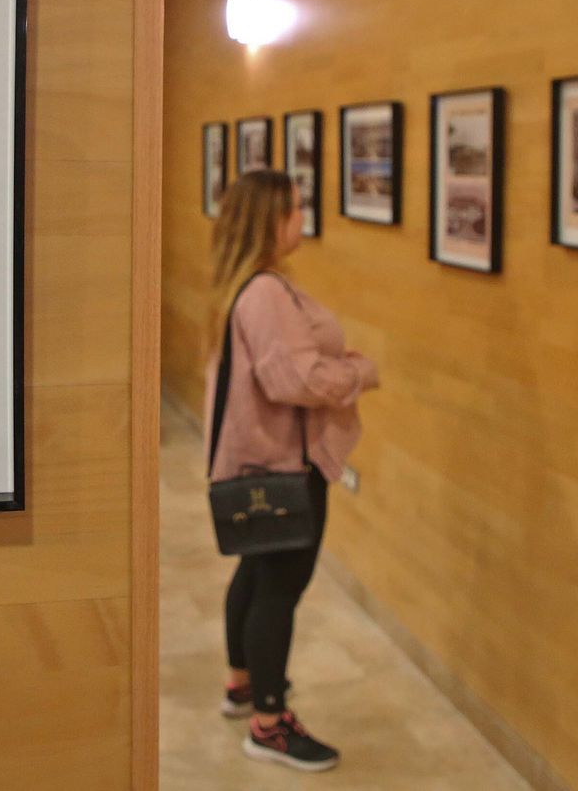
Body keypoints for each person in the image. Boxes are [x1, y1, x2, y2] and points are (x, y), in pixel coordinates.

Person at [204, 170, 379, 774]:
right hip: (283, 465)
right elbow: (298, 380)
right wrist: (359, 371)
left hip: (261, 460)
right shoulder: (267, 295)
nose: (302, 217)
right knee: (280, 589)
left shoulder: (247, 287)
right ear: (270, 220)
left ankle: (241, 686)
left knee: (257, 574)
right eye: (296, 207)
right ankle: (270, 724)